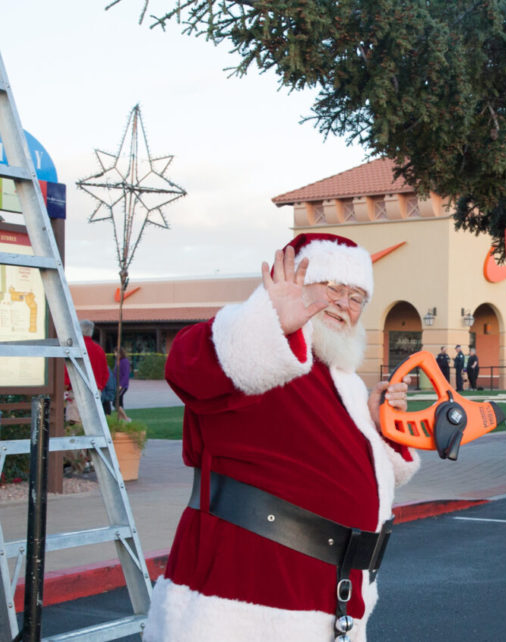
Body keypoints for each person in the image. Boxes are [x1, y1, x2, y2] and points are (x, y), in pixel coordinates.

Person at [145, 233, 420, 641]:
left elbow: (368, 472)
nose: (345, 305)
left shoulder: (341, 379)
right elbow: (187, 366)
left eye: (357, 296)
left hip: (329, 600)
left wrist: (377, 423)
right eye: (334, 289)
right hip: (248, 605)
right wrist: (269, 321)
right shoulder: (260, 350)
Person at [65, 320, 109, 423]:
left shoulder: (75, 348)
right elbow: (105, 373)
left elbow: (67, 371)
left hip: (76, 391)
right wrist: (100, 387)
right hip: (95, 392)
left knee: (74, 426)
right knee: (92, 425)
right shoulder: (99, 350)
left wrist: (66, 386)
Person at [114, 347, 132, 419]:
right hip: (117, 384)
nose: (115, 354)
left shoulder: (124, 361)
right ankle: (120, 418)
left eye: (116, 352)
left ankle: (126, 418)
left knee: (116, 401)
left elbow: (126, 374)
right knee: (120, 402)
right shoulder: (117, 361)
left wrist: (121, 385)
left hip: (123, 385)